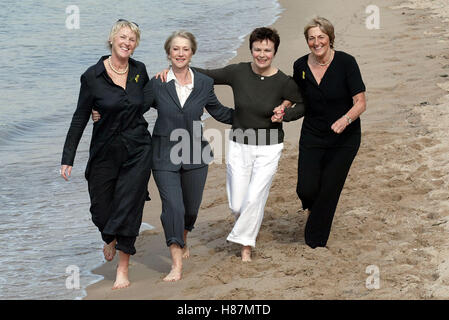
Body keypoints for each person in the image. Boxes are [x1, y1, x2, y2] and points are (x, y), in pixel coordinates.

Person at [94, 30, 234, 281]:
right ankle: (176, 264)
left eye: (185, 49)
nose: (180, 53)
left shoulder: (203, 83)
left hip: (195, 152)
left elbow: (220, 112)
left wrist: (256, 117)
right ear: (168, 53)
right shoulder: (157, 83)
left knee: (190, 210)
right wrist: (102, 113)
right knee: (173, 207)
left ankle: (183, 235)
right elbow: (134, 108)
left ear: (192, 53)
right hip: (163, 154)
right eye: (175, 49)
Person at [156, 27, 305, 262]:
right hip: (239, 144)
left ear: (274, 51)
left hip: (269, 147)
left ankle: (245, 248)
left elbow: (302, 104)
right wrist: (173, 71)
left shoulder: (284, 82)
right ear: (251, 50)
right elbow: (206, 75)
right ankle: (244, 232)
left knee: (255, 197)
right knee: (237, 204)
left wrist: (284, 114)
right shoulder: (238, 72)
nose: (262, 54)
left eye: (267, 50)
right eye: (258, 49)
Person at [60, 20, 152, 290]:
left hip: (137, 148)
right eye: (123, 37)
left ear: (136, 45)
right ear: (112, 39)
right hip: (104, 151)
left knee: (129, 205)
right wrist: (68, 157)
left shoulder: (139, 70)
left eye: (132, 39)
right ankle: (109, 235)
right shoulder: (92, 76)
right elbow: (79, 117)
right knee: (100, 208)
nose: (127, 42)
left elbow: (143, 103)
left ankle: (123, 268)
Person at [274, 17, 367, 248]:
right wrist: (283, 108)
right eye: (312, 38)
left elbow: (360, 102)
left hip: (344, 137)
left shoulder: (346, 63)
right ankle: (312, 211)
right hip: (313, 134)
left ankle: (314, 242)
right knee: (305, 188)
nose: (317, 42)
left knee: (329, 188)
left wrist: (345, 120)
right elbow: (296, 94)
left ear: (329, 38)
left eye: (321, 37)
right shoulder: (301, 66)